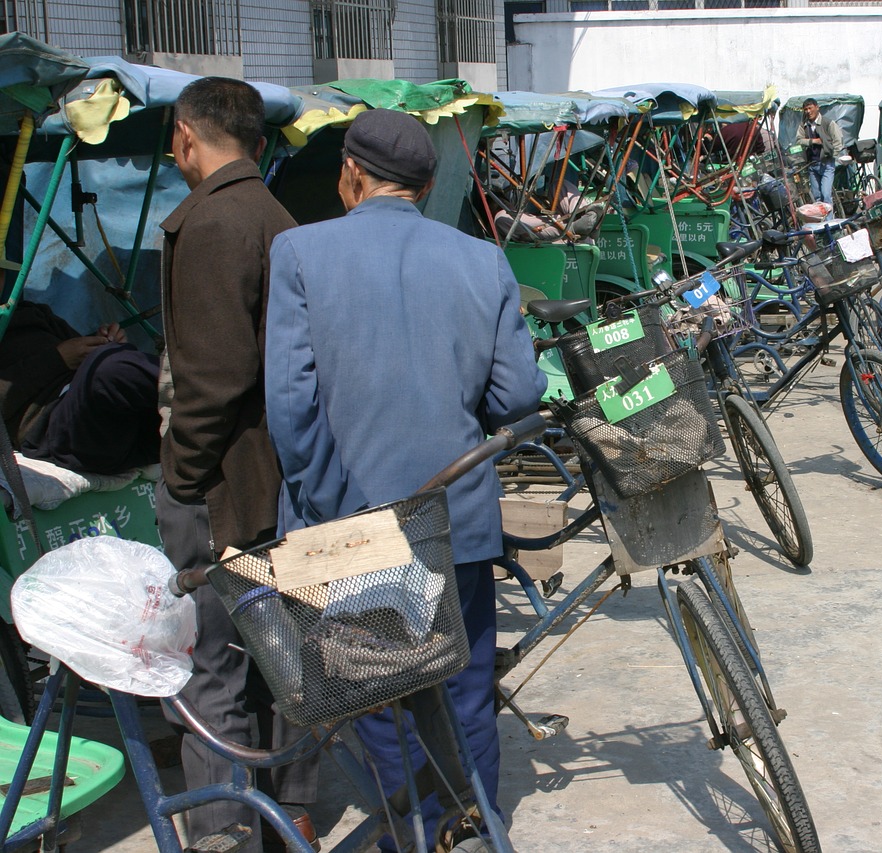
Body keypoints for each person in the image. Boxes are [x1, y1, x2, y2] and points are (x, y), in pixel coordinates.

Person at [265, 109, 546, 845]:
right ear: (424, 186)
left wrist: (340, 515)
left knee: (381, 701)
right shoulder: (479, 259)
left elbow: (292, 413)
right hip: (457, 519)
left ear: (351, 174)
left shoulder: (298, 252)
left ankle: (417, 832)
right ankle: (478, 826)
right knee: (465, 692)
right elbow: (518, 395)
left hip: (347, 527)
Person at [155, 77, 319, 852]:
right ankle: (294, 810)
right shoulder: (274, 214)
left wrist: (180, 476)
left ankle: (224, 832)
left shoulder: (215, 220)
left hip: (223, 486)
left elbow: (212, 379)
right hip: (276, 483)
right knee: (280, 663)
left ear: (187, 137)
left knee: (209, 670)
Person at [0, 300, 159, 474]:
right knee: (108, 367)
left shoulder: (28, 311)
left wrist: (104, 342)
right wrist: (58, 359)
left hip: (119, 419)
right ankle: (188, 387)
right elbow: (79, 362)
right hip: (59, 431)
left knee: (111, 363)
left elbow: (81, 354)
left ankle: (188, 397)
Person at [796, 98, 843, 206]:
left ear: (817, 108)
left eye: (810, 108)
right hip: (812, 165)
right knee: (817, 197)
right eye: (806, 109)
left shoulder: (828, 123)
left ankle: (830, 222)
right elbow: (799, 140)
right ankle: (820, 222)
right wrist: (813, 141)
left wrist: (831, 155)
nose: (808, 111)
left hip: (826, 164)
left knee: (826, 195)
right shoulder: (804, 125)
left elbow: (838, 141)